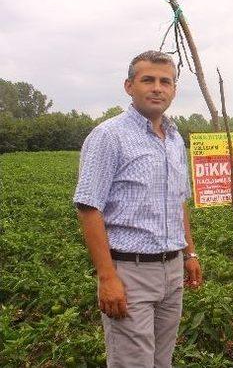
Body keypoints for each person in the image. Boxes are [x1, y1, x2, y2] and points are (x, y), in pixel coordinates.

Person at [73, 50, 203, 368]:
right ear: (129, 86)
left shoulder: (174, 139)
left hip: (172, 271)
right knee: (133, 363)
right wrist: (107, 277)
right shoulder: (109, 136)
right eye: (148, 80)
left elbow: (179, 201)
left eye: (165, 81)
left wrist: (190, 254)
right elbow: (89, 208)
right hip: (130, 272)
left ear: (173, 89)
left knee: (162, 360)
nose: (157, 88)